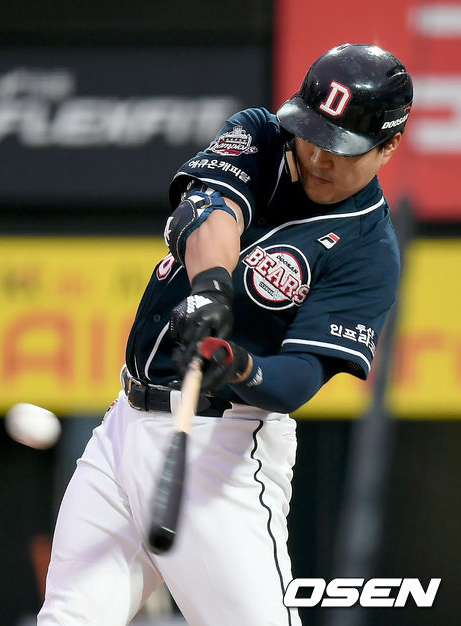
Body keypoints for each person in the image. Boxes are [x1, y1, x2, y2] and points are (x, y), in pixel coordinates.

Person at [38, 43, 413, 625]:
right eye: (313, 134)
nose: (319, 156)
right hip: (123, 426)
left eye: (341, 147)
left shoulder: (369, 251)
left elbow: (300, 378)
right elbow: (210, 210)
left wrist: (237, 365)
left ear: (389, 146)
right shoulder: (261, 136)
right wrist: (210, 291)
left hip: (223, 450)